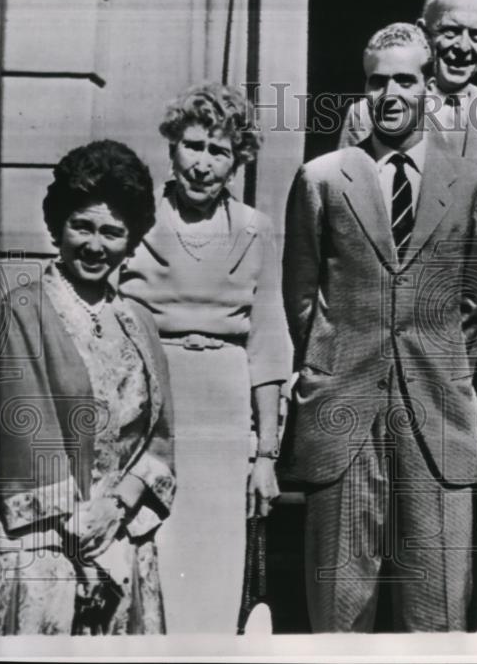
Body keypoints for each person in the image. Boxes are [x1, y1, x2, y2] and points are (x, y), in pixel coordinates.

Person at [280, 23, 477, 632]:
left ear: (430, 87)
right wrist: (331, 364)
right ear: (364, 90)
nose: (392, 94)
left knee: (438, 608)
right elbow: (302, 296)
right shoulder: (322, 179)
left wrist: (437, 360)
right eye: (378, 82)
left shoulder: (472, 183)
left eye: (406, 79)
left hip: (436, 412)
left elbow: (475, 304)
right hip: (343, 407)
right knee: (340, 609)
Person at [120, 83, 291, 634]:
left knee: (216, 564)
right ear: (172, 147)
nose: (202, 163)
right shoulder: (136, 223)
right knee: (150, 552)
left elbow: (267, 342)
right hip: (150, 410)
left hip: (223, 409)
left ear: (237, 159)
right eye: (193, 146)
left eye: (218, 151)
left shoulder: (255, 229)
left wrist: (265, 454)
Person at [0, 140, 174, 635]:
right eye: (83, 226)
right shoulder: (22, 310)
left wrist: (116, 509)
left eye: (113, 232)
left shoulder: (140, 322)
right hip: (50, 544)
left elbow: (159, 437)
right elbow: (25, 437)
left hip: (122, 533)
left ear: (131, 239)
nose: (96, 245)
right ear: (58, 227)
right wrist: (81, 533)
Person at [338, 0, 477, 236]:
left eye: (476, 36)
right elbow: (346, 217)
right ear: (423, 30)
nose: (463, 47)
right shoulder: (366, 115)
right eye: (450, 31)